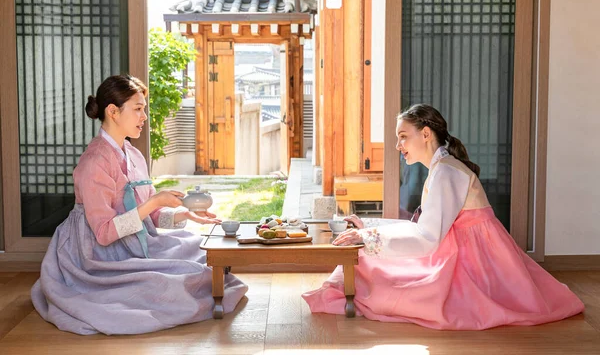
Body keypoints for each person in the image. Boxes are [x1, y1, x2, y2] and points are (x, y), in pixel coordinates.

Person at [303, 104, 584, 330]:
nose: (399, 146)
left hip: (475, 261)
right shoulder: (441, 169)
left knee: (377, 271)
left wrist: (368, 237)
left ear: (425, 134)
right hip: (461, 251)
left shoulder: (446, 172)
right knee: (370, 262)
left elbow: (427, 238)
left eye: (403, 137)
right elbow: (426, 227)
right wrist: (369, 228)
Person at [31, 75, 247, 335]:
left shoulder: (133, 154)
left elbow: (151, 216)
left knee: (201, 253)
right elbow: (104, 233)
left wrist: (185, 215)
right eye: (137, 109)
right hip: (96, 254)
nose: (144, 116)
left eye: (143, 109)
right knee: (175, 282)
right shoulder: (93, 162)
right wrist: (154, 201)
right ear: (113, 111)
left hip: (135, 240)